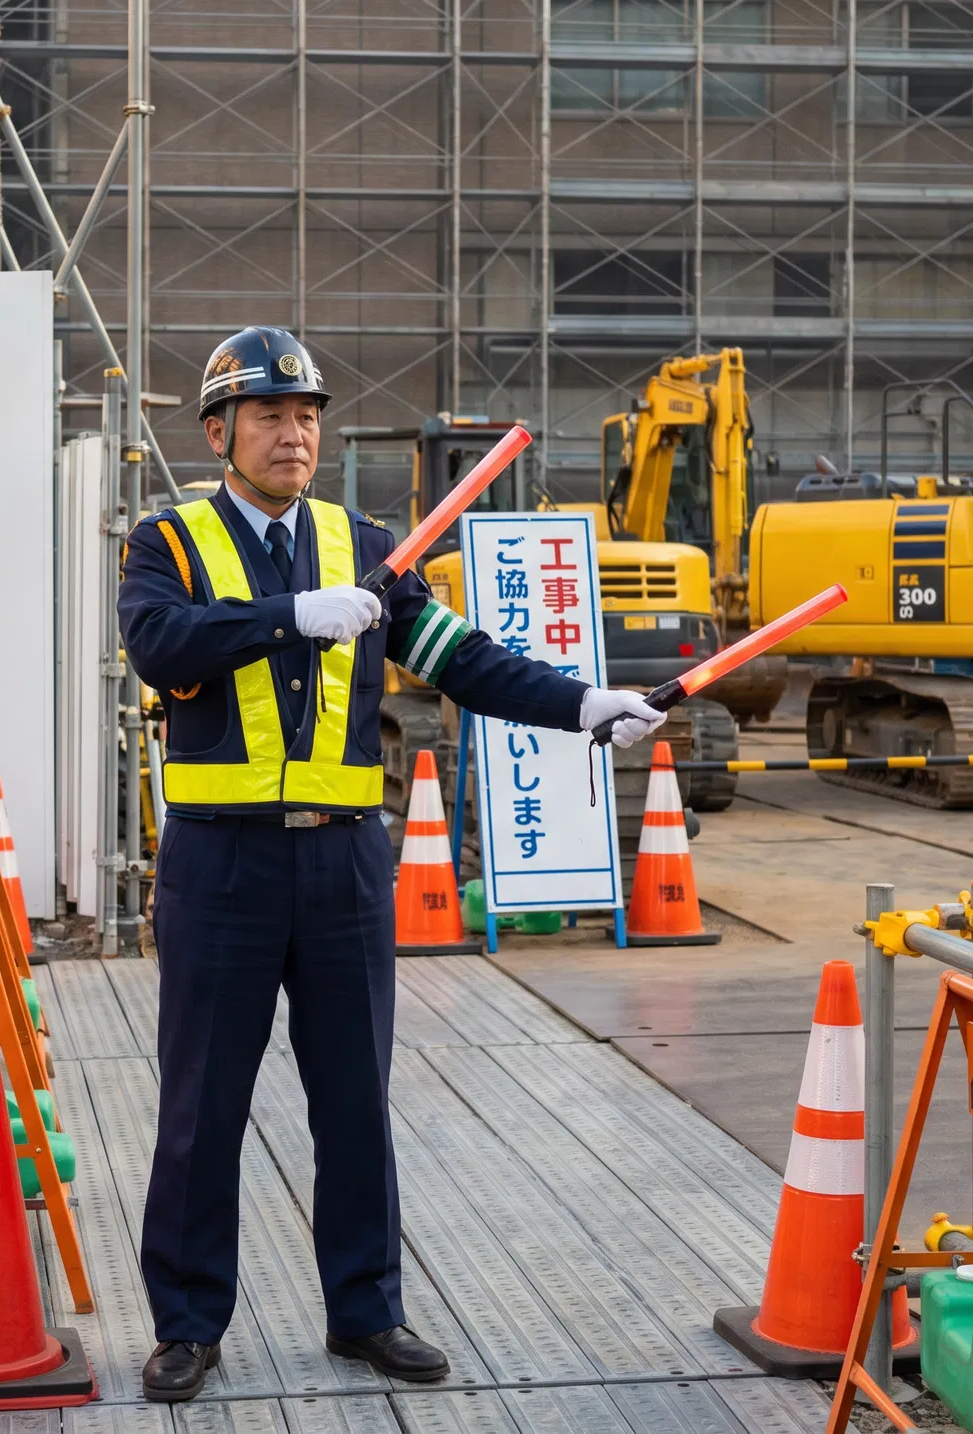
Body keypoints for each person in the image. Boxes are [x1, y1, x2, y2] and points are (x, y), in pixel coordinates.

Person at [118, 327, 664, 1402]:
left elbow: (463, 659)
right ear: (220, 430)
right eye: (271, 415)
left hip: (345, 871)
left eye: (308, 414)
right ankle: (187, 1322)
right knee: (201, 1106)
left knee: (356, 1103)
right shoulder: (166, 542)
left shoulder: (363, 546)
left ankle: (367, 1310)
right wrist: (286, 620)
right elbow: (159, 645)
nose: (294, 432)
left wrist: (583, 705)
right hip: (219, 869)